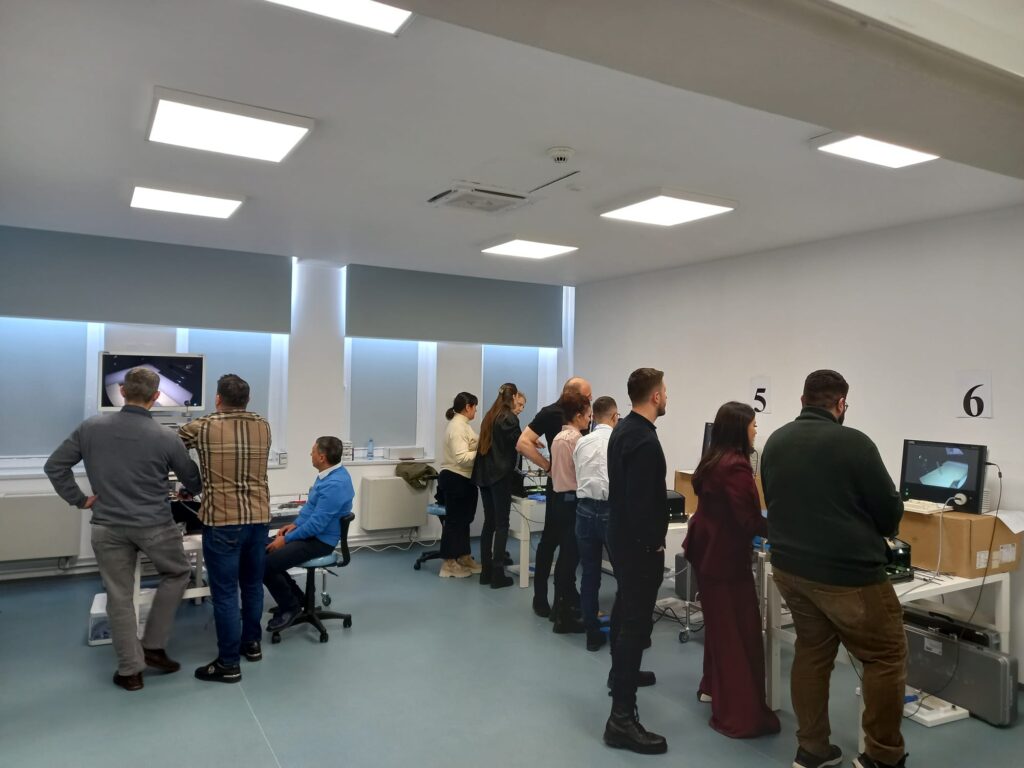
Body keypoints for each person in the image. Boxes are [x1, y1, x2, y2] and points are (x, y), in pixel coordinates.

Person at [761, 370, 906, 768]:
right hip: (848, 577)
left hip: (790, 570)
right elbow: (888, 514)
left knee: (812, 652)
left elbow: (773, 500)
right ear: (841, 404)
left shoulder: (775, 441)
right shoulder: (855, 443)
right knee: (886, 655)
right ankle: (883, 756)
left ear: (803, 399)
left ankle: (812, 749)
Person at [44, 367, 202, 692]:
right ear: (156, 397)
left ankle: (130, 671)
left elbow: (54, 466)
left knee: (119, 596)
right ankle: (154, 646)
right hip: (155, 524)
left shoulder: (91, 427)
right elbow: (193, 481)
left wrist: (80, 499)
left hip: (108, 526)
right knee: (177, 573)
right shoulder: (166, 437)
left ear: (123, 392)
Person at [683, 401, 780, 738]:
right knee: (739, 633)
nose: (756, 431)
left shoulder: (712, 460)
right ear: (740, 429)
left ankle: (712, 687)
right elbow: (748, 520)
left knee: (720, 627)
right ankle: (740, 714)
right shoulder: (736, 467)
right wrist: (786, 531)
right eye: (753, 425)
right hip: (725, 559)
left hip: (706, 551)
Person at [179, 374, 272, 684]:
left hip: (222, 521)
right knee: (253, 585)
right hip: (258, 519)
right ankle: (252, 644)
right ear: (248, 399)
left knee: (225, 593)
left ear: (218, 399)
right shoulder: (263, 425)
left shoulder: (202, 426)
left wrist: (193, 481)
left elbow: (170, 445)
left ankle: (229, 663)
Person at [603, 367, 669, 755]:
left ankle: (620, 675)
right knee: (634, 624)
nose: (667, 396)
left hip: (620, 538)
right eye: (665, 391)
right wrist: (654, 545)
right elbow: (643, 503)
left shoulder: (623, 429)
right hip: (637, 546)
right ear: (655, 396)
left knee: (624, 609)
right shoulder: (644, 440)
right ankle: (622, 720)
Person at [516, 376, 592, 617]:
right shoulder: (550, 414)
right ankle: (542, 597)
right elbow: (523, 443)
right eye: (587, 396)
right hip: (560, 486)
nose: (590, 400)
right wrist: (548, 466)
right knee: (552, 542)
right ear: (573, 395)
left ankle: (565, 596)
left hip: (574, 487)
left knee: (568, 546)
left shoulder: (579, 418)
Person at [264, 436, 354, 629]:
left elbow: (316, 526)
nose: (310, 454)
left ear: (322, 457)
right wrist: (294, 525)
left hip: (320, 541)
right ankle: (298, 600)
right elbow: (311, 508)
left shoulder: (335, 484)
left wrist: (286, 539)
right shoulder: (328, 474)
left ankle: (290, 608)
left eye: (313, 451)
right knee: (263, 548)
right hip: (313, 535)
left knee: (265, 564)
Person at [573, 395, 619, 651]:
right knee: (623, 573)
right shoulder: (618, 441)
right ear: (614, 416)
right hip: (611, 511)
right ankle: (621, 632)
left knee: (589, 574)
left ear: (594, 416)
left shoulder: (581, 442)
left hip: (584, 510)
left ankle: (591, 633)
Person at [548, 391, 592, 634]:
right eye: (588, 415)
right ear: (577, 415)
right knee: (570, 558)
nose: (590, 419)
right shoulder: (578, 440)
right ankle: (565, 616)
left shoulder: (557, 438)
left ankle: (559, 608)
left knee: (564, 556)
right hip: (573, 501)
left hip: (558, 501)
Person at [471, 383, 521, 589]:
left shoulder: (490, 415)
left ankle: (486, 572)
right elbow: (518, 444)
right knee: (502, 524)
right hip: (500, 476)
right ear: (514, 396)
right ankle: (498, 574)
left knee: (489, 523)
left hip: (484, 475)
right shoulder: (509, 418)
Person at [437, 392, 481, 579]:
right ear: (468, 407)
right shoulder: (457, 427)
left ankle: (463, 556)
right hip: (455, 478)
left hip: (464, 479)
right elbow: (462, 458)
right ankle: (448, 563)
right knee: (454, 522)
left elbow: (472, 444)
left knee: (465, 521)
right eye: (475, 407)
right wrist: (483, 454)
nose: (476, 411)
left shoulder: (464, 426)